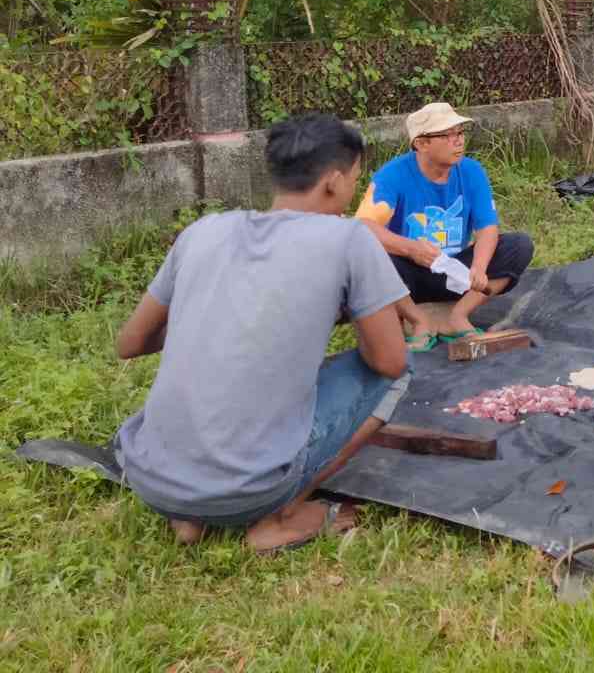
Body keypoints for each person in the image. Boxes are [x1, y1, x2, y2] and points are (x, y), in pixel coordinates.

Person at [112, 113, 412, 553]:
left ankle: (189, 517)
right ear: (332, 181)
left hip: (152, 482)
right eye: (354, 180)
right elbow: (389, 360)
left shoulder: (202, 231)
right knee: (398, 375)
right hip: (252, 491)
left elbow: (130, 343)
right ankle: (278, 517)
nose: (352, 193)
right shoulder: (348, 239)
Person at [355, 102, 534, 346]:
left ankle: (457, 316)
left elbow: (487, 228)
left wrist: (479, 268)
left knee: (519, 246)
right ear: (421, 143)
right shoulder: (393, 175)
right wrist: (411, 249)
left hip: (454, 272)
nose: (458, 141)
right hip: (407, 278)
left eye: (460, 133)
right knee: (370, 257)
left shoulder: (471, 172)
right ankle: (416, 319)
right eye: (448, 135)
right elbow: (363, 226)